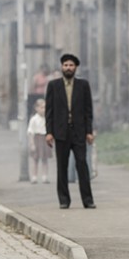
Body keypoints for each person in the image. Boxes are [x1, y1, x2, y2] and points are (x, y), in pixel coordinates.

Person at [45, 53, 96, 209]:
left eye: (71, 65)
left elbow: (88, 110)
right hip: (61, 132)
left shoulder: (83, 85)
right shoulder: (53, 86)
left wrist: (89, 131)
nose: (68, 68)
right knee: (62, 167)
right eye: (65, 65)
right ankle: (64, 200)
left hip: (79, 132)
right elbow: (49, 111)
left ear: (75, 67)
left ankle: (88, 200)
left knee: (82, 164)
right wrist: (49, 132)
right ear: (62, 67)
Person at [27, 98, 51, 184]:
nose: (44, 109)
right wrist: (32, 143)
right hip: (37, 139)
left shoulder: (47, 118)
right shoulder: (34, 119)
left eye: (45, 107)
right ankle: (34, 177)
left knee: (45, 159)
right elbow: (30, 132)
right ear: (36, 108)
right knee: (35, 159)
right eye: (41, 107)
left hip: (45, 139)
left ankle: (45, 176)